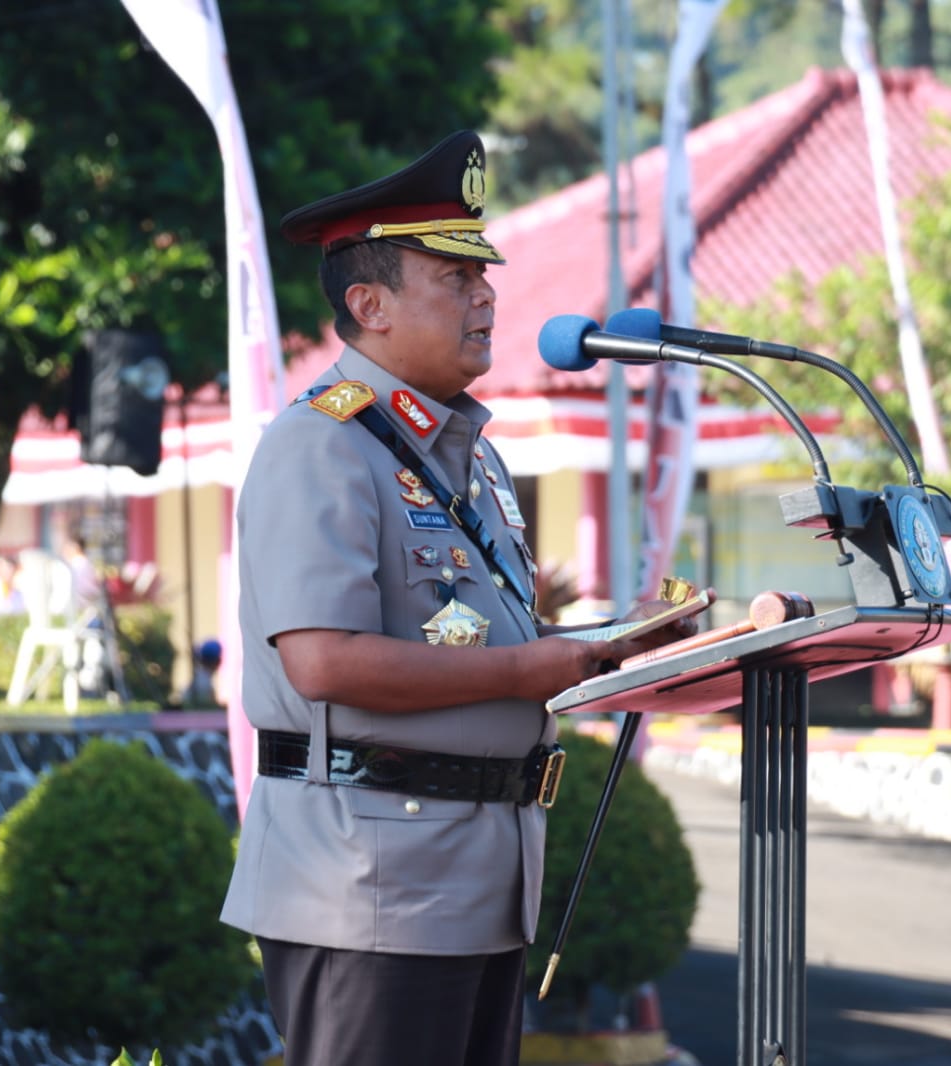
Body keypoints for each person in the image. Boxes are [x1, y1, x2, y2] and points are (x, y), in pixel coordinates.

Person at [220, 131, 699, 1066]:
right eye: (454, 278)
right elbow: (322, 662)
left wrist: (619, 646)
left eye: (483, 277)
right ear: (369, 304)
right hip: (370, 882)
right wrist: (538, 665)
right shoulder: (321, 447)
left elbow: (475, 640)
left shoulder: (472, 458)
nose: (486, 298)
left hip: (472, 881)